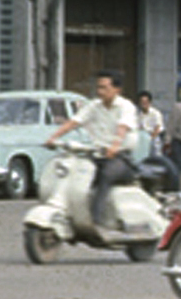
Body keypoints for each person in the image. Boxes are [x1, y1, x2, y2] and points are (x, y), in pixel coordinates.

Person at [45, 69, 138, 235]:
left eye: (104, 87)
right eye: (98, 87)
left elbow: (122, 128)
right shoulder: (94, 106)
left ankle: (97, 220)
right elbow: (74, 122)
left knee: (105, 175)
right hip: (97, 155)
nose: (99, 91)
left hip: (120, 158)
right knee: (75, 174)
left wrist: (115, 145)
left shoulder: (126, 107)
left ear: (117, 89)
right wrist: (53, 138)